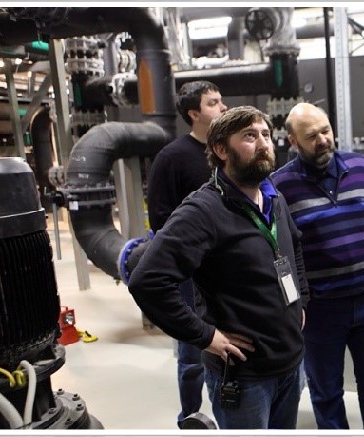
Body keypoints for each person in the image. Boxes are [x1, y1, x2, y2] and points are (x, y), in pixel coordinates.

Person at [129, 106, 309, 429]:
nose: (263, 144)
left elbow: (293, 245)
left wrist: (301, 301)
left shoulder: (273, 197)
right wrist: (204, 335)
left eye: (266, 135)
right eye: (250, 136)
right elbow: (147, 281)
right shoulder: (203, 211)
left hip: (290, 363)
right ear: (221, 149)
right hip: (245, 378)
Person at [270, 102, 364, 429]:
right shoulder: (278, 188)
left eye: (326, 131)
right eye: (311, 136)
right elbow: (274, 248)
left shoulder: (363, 169)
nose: (323, 140)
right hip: (320, 310)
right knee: (326, 393)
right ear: (293, 142)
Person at [146, 80, 227, 428]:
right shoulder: (172, 158)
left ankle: (231, 411)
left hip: (229, 267)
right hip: (192, 274)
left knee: (230, 343)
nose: (222, 107)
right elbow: (160, 218)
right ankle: (190, 418)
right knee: (192, 352)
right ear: (194, 114)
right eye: (213, 102)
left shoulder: (226, 152)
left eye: (221, 100)